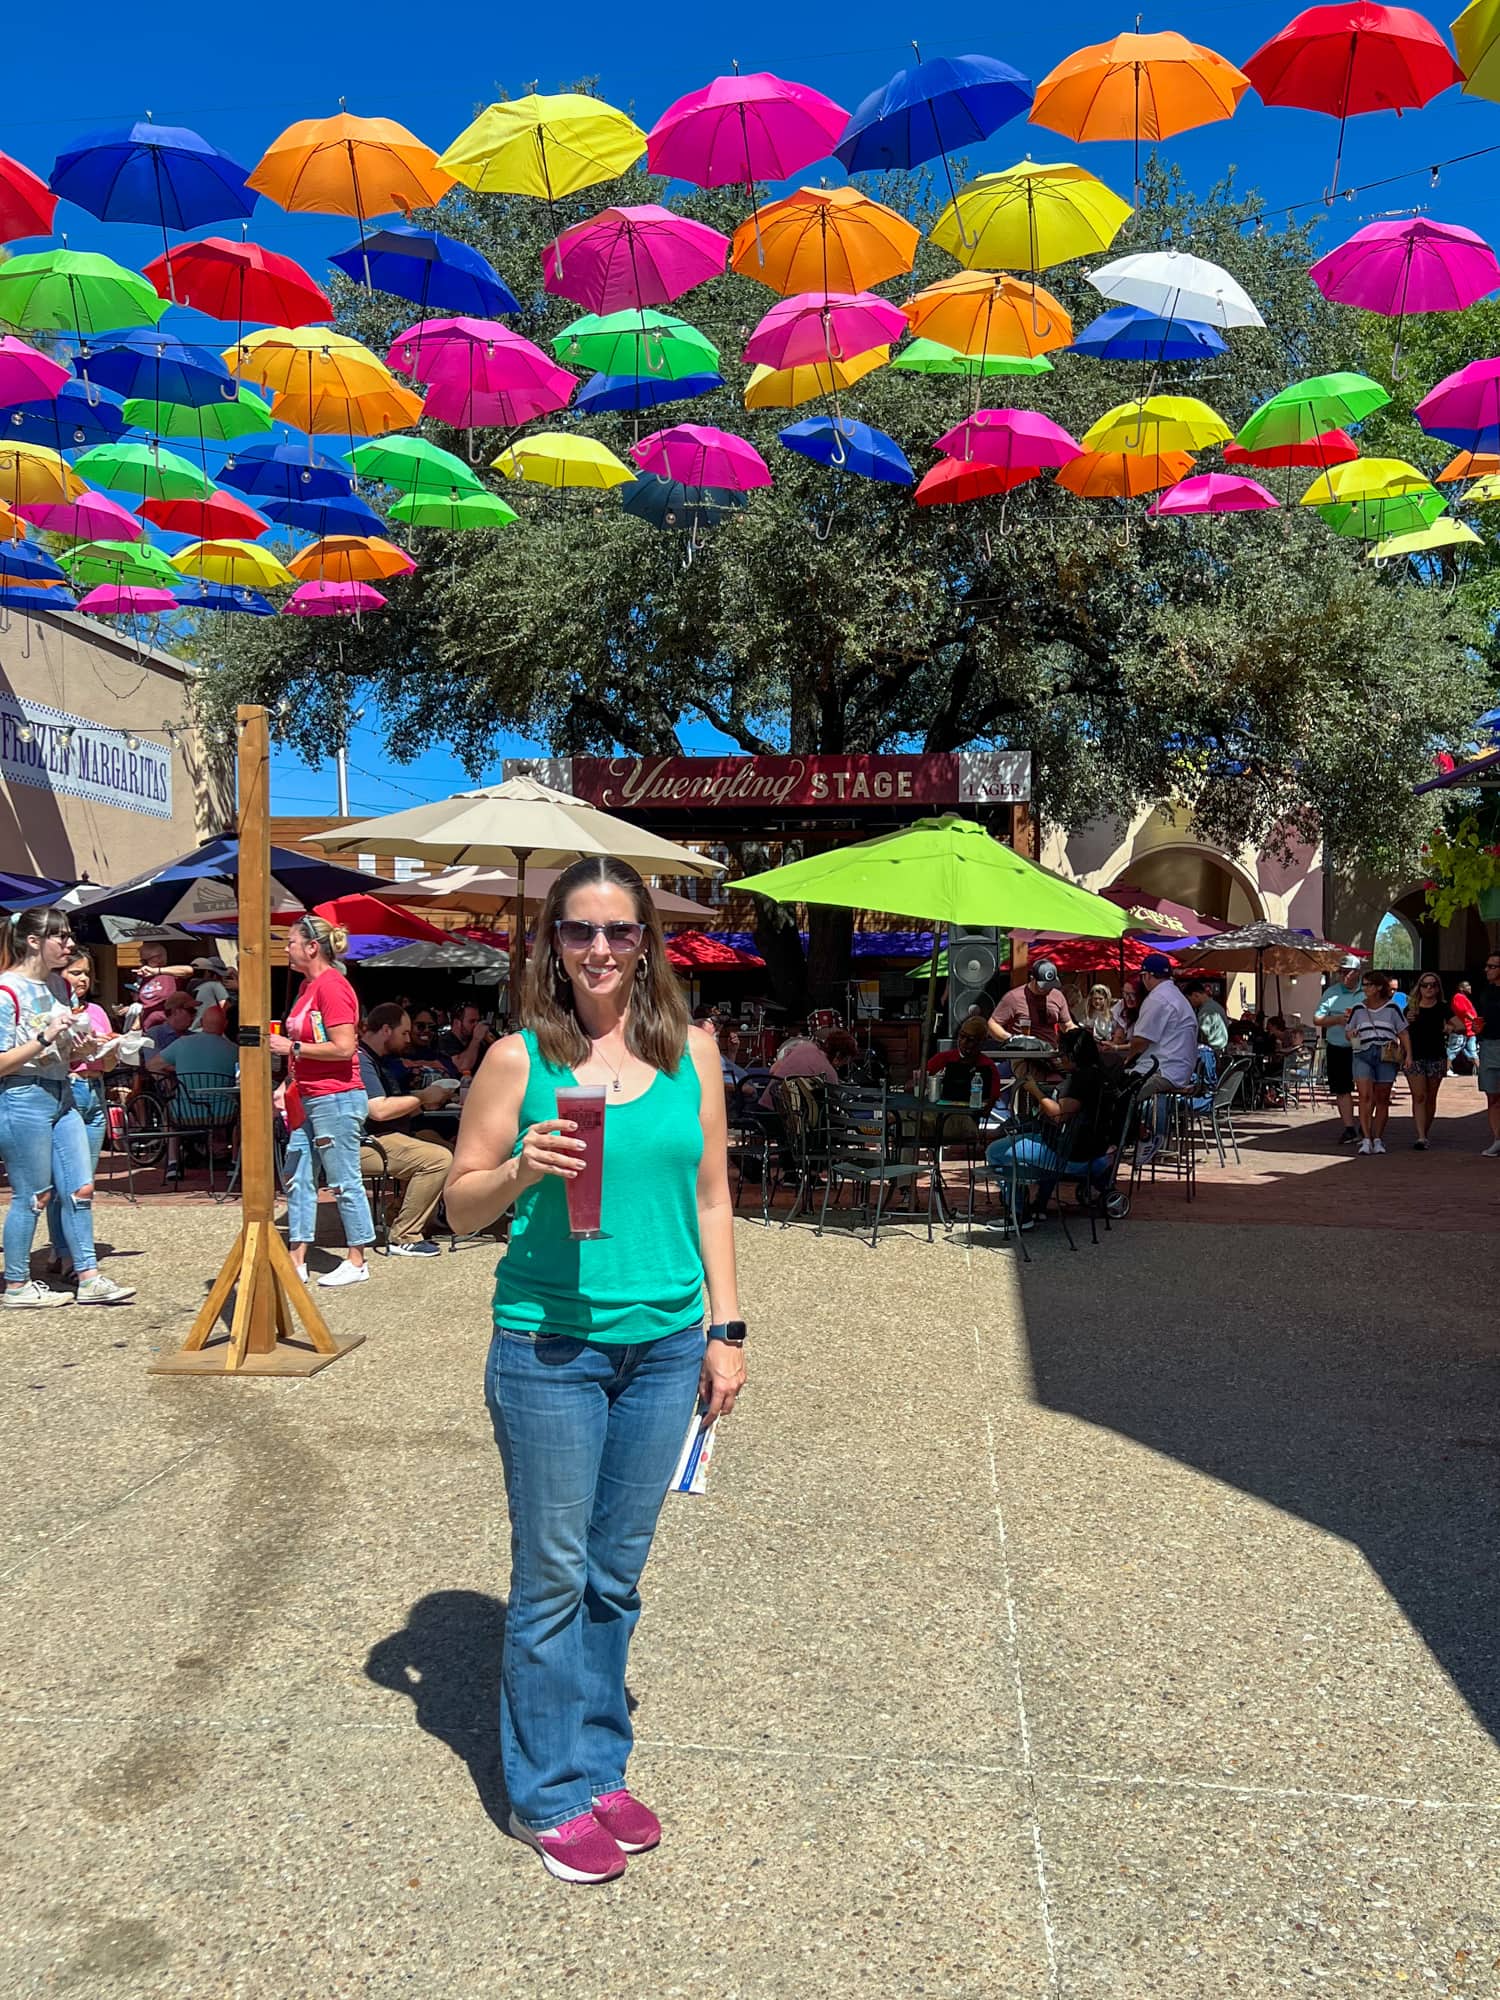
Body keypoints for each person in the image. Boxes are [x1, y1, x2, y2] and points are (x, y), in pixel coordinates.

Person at [444, 854, 745, 1886]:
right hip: (550, 1348)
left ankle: (598, 1758)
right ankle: (546, 1792)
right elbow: (458, 1203)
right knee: (554, 1574)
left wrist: (728, 1329)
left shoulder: (693, 1053)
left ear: (647, 942)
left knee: (616, 1576)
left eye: (620, 930)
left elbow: (712, 1197)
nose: (601, 949)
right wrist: (521, 1165)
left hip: (664, 1346)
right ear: (553, 945)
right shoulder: (516, 1059)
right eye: (580, 930)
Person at [0, 910, 135, 1308]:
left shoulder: (60, 985)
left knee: (81, 1188)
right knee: (33, 1196)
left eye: (69, 935)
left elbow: (64, 1047)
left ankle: (90, 1277)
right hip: (22, 1096)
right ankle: (16, 1284)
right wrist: (45, 1037)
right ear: (33, 941)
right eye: (60, 936)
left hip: (64, 1091)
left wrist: (88, 1047)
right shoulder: (7, 991)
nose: (70, 943)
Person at [268, 915, 375, 1288]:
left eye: (291, 942)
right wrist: (288, 1080)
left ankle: (358, 1256)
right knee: (298, 1176)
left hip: (337, 1096)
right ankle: (297, 1257)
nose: (286, 948)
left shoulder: (333, 987)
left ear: (312, 947)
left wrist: (291, 1046)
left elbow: (345, 1047)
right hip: (308, 1096)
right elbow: (308, 1047)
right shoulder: (306, 988)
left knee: (344, 1180)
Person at [984, 1027, 1116, 1227]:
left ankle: (1018, 1214)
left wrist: (1035, 1091)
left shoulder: (1082, 1080)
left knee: (995, 1151)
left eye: (1062, 1053)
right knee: (1033, 1137)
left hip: (1071, 1154)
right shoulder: (1101, 1075)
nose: (1059, 1057)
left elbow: (1058, 1115)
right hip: (1089, 1148)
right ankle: (1039, 1205)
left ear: (1072, 1054)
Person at [357, 1003, 456, 1257]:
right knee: (438, 1160)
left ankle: (397, 1215)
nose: (408, 1038)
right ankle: (405, 1235)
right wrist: (423, 1097)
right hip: (366, 1142)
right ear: (387, 1030)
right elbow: (377, 1110)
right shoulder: (362, 1060)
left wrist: (425, 1100)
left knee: (450, 1149)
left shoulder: (377, 1060)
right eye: (405, 1033)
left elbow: (394, 1104)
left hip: (391, 1135)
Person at [46, 948, 118, 1279]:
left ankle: (68, 1252)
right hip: (69, 1088)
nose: (83, 979)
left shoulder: (98, 1011)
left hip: (95, 1090)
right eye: (76, 972)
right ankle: (66, 1253)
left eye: (86, 973)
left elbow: (109, 1064)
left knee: (84, 1182)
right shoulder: (52, 1011)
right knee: (66, 1182)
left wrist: (114, 1047)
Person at [148, 1002, 240, 1182]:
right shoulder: (235, 1050)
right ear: (225, 1025)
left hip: (186, 1111)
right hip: (224, 1113)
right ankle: (234, 1162)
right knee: (242, 1116)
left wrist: (174, 1070)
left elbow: (151, 1065)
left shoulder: (182, 1043)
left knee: (169, 1109)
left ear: (201, 1023)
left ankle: (173, 1162)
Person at [1125, 954, 1200, 1157]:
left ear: (1147, 976)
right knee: (1119, 1092)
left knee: (1118, 1095)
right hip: (1179, 1068)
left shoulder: (1157, 998)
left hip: (1164, 1070)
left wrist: (1125, 1060)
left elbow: (1141, 1040)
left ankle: (1144, 1138)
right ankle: (1140, 1137)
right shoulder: (1175, 995)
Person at [1345, 971, 1411, 1155]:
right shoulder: (1358, 1008)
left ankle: (1378, 1138)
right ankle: (1366, 1138)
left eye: (1368, 985)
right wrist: (1352, 1036)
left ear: (1379, 987)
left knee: (1382, 1098)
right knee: (1364, 1096)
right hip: (1363, 1053)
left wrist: (1408, 1055)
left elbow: (1403, 1032)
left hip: (1386, 1054)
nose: (1365, 988)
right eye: (1364, 985)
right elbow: (1349, 1031)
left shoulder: (1392, 1008)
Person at [1314, 955, 1365, 1147]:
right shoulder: (1331, 992)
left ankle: (1365, 1125)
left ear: (1357, 972)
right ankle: (1349, 1128)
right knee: (1342, 1088)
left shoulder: (1366, 991)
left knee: (1364, 1087)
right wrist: (1337, 1020)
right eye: (1341, 971)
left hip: (1360, 1046)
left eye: (1347, 971)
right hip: (1337, 1046)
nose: (1343, 975)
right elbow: (1317, 1019)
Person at [1404, 973, 1457, 1150]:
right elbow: (1401, 1030)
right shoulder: (1411, 1007)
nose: (1428, 988)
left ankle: (1424, 1133)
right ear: (1419, 987)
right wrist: (1406, 1020)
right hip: (1415, 1055)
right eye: (1425, 985)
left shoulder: (1442, 1007)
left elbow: (1461, 1025)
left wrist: (1449, 1027)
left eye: (1432, 985)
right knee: (1419, 1096)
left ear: (1437, 988)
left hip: (1436, 1056)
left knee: (1430, 1097)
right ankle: (1420, 1136)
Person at [924, 1013, 1004, 1111]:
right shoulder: (942, 1058)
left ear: (981, 1042)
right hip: (937, 1112)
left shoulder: (988, 1066)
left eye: (970, 1039)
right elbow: (919, 1080)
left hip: (969, 1115)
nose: (963, 1042)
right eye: (961, 1036)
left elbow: (993, 1098)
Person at [987, 959, 1073, 1045]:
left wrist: (1080, 1034)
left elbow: (1067, 1025)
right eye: (1043, 987)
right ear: (1032, 979)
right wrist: (1011, 1039)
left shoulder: (1058, 996)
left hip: (1050, 1052)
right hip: (1021, 1054)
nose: (1048, 989)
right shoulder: (1014, 997)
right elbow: (992, 1024)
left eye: (1051, 985)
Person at [1476, 952, 1500, 1156]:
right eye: (1487, 966)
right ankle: (1497, 1139)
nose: (1487, 969)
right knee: (1492, 1096)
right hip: (1488, 1045)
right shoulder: (1485, 992)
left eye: (1492, 966)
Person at [438, 1002, 495, 1080]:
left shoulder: (479, 1041)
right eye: (472, 1021)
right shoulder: (445, 1041)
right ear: (457, 1023)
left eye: (477, 1021)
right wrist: (476, 1040)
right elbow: (461, 1067)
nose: (476, 1025)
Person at [1185, 981, 1230, 1054]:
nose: (1190, 1003)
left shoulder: (1206, 1011)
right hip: (1220, 1050)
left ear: (1195, 995)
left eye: (1189, 1000)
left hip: (1213, 1052)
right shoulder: (1215, 1006)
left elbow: (1202, 1036)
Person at [1449, 979, 1479, 1072]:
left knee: (1472, 1051)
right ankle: (1446, 1069)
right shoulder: (1458, 997)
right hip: (1463, 1029)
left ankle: (1481, 1071)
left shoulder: (1464, 998)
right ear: (1461, 988)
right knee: (1453, 1050)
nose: (1469, 987)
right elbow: (1464, 1011)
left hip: (1470, 1030)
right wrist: (1474, 1020)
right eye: (1467, 986)